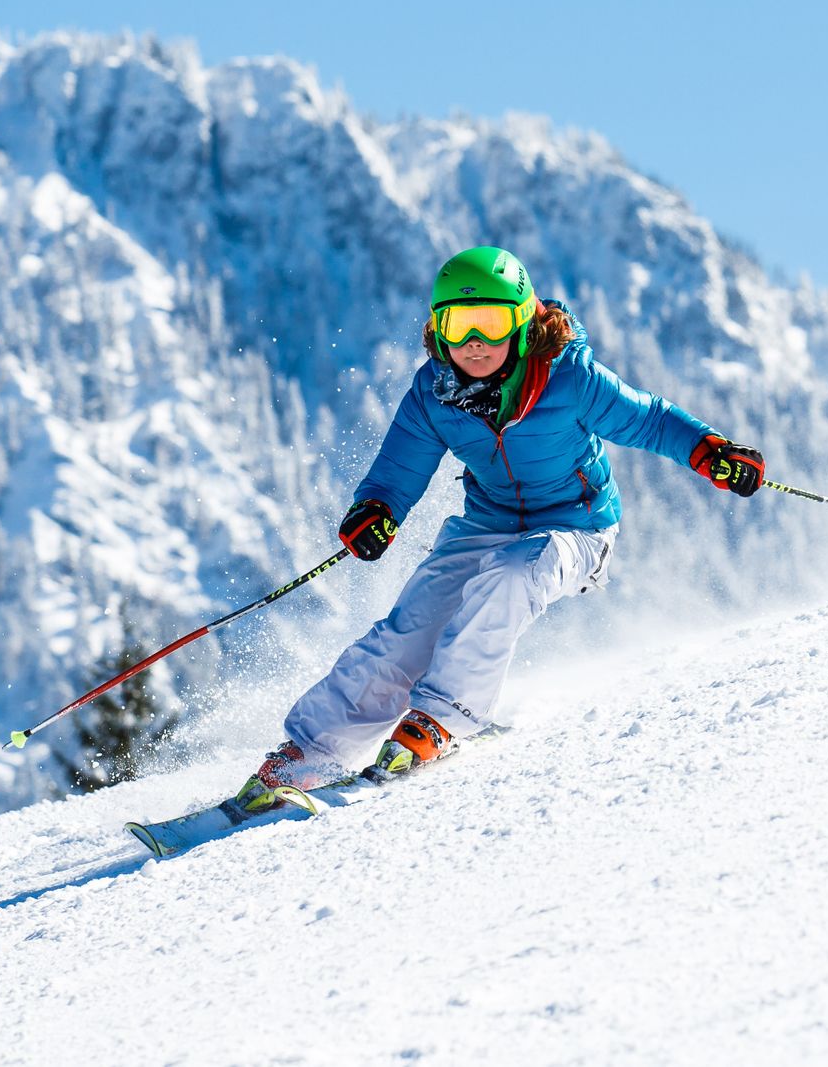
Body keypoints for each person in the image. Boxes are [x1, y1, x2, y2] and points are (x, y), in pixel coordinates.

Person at [231, 245, 765, 812]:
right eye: (459, 326)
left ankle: (442, 718)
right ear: (438, 330)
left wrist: (712, 452)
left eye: (491, 322)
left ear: (523, 322)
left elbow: (649, 419)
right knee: (409, 627)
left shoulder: (570, 378)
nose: (475, 344)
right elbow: (398, 469)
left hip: (577, 528)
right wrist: (377, 511)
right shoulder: (434, 393)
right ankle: (312, 748)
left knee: (513, 574)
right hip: (484, 523)